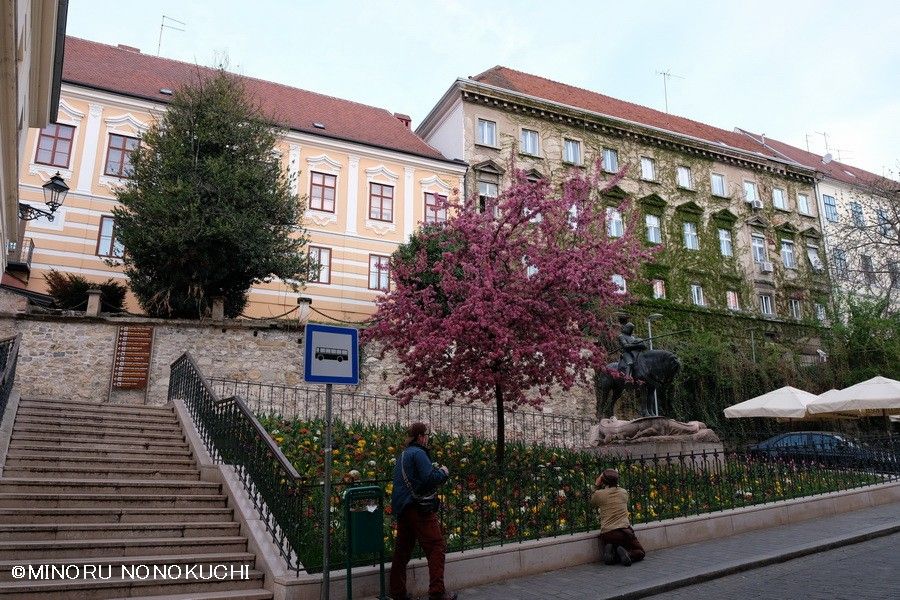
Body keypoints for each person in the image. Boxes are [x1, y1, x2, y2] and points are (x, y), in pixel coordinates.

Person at [389, 422, 458, 600]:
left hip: (403, 508)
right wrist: (443, 472)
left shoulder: (403, 454)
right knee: (436, 546)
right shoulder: (419, 453)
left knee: (402, 551)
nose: (427, 439)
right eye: (426, 436)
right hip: (418, 508)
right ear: (421, 437)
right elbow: (429, 478)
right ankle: (437, 592)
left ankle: (397, 592)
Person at [590, 468, 645, 567]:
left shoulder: (599, 494)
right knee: (640, 552)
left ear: (603, 481)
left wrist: (596, 485)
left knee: (615, 542)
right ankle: (627, 554)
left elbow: (592, 502)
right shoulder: (623, 492)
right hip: (624, 533)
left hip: (607, 534)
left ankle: (612, 553)